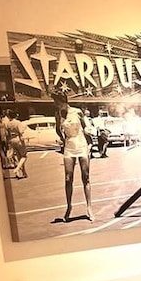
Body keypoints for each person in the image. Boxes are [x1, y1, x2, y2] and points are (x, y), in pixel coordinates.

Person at [54, 93, 94, 221]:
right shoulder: (58, 114)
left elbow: (86, 125)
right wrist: (63, 138)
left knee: (85, 176)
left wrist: (89, 138)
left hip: (81, 145)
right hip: (69, 148)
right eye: (56, 103)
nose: (57, 105)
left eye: (58, 103)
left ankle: (89, 208)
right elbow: (57, 129)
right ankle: (69, 206)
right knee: (68, 178)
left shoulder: (77, 112)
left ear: (64, 101)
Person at [5, 110, 28, 179]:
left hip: (11, 140)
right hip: (18, 139)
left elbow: (7, 134)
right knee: (24, 156)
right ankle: (17, 168)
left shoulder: (8, 124)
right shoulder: (17, 122)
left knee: (19, 157)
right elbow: (21, 132)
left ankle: (24, 172)